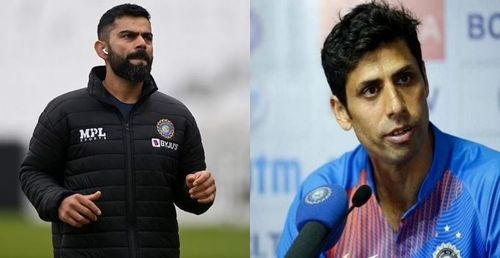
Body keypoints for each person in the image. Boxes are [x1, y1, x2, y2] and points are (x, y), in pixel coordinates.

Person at [277, 1, 500, 257]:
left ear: (425, 80)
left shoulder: (492, 184)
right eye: (371, 90)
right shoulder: (322, 198)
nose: (396, 105)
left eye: (404, 78)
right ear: (342, 112)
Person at [18, 4, 216, 258]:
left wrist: (201, 193)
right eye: (128, 36)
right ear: (102, 49)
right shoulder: (64, 111)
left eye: (148, 37)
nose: (141, 43)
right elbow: (33, 172)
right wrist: (59, 201)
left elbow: (191, 195)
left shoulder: (177, 115)